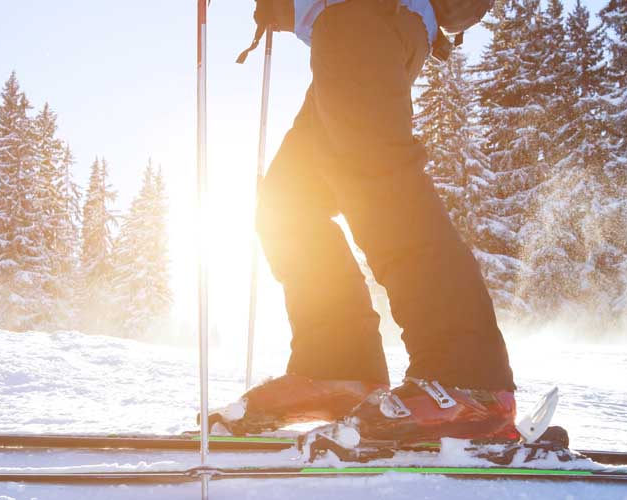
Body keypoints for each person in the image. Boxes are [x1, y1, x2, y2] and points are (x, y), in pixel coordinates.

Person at [211, 0, 518, 449]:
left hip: (368, 18)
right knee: (287, 202)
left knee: (379, 181)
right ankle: (339, 367)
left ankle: (466, 379)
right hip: (346, 26)